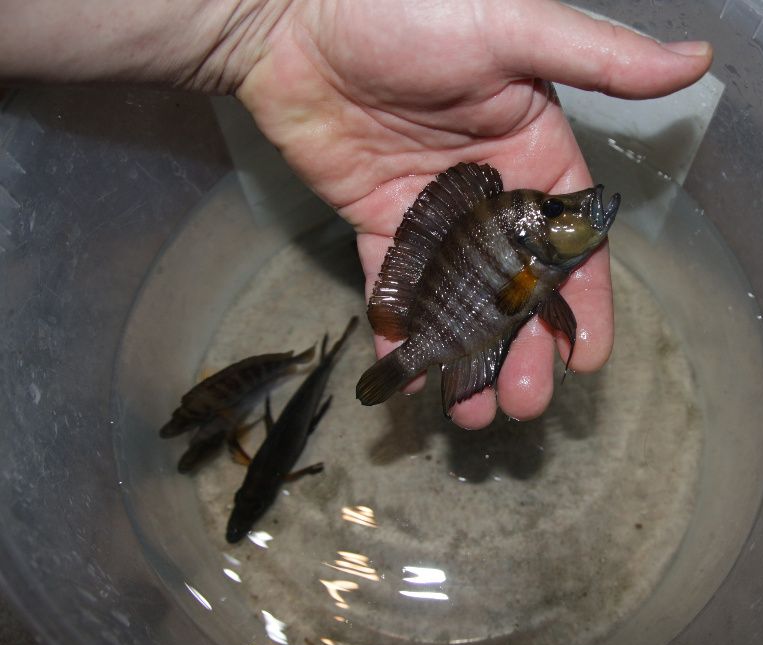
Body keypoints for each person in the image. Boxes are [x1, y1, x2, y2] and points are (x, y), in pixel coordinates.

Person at [1, 0, 712, 429]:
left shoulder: (533, 267)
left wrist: (274, 16)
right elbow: (520, 297)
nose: (579, 212)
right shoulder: (529, 259)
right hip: (443, 321)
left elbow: (525, 298)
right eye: (564, 209)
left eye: (566, 210)